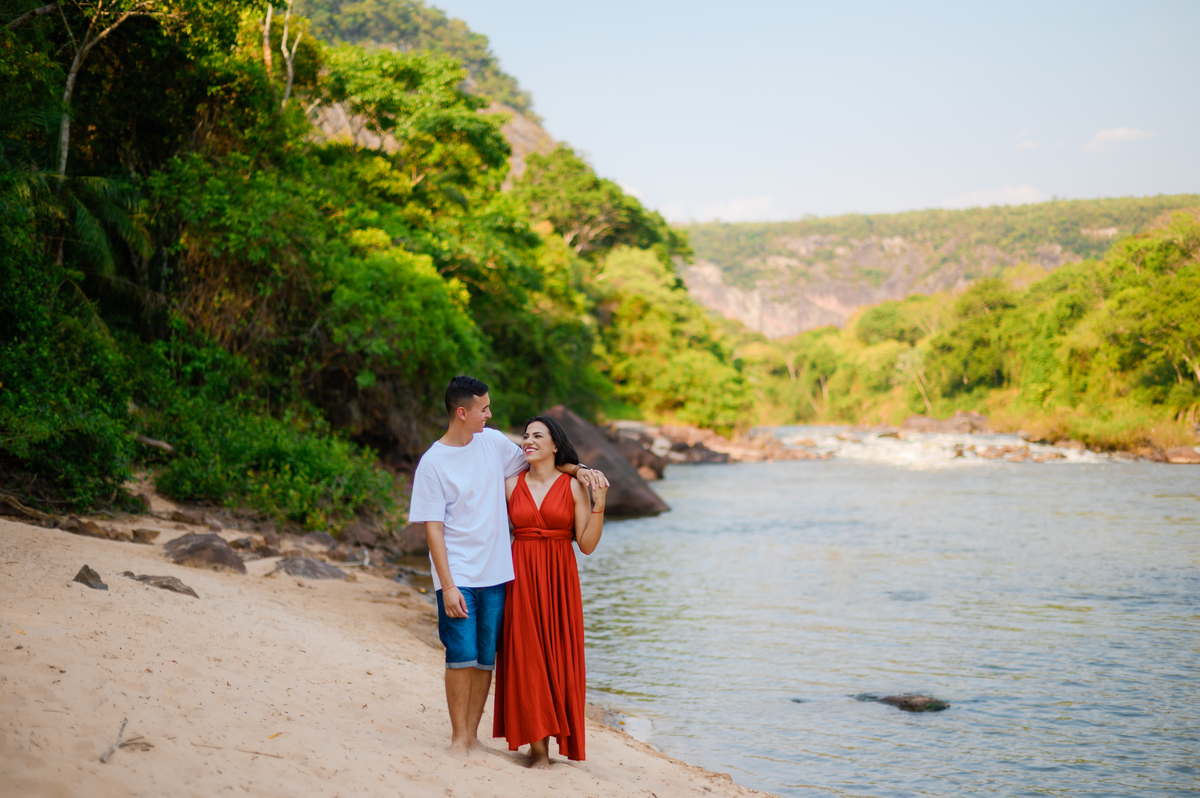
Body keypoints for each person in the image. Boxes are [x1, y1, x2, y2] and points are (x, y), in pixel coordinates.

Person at [407, 376, 607, 754]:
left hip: (498, 574)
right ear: (462, 412)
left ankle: (472, 736)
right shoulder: (433, 463)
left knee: (485, 659)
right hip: (458, 574)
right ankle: (458, 740)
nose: (490, 414)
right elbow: (433, 529)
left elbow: (543, 463)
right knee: (460, 654)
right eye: (484, 408)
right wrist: (447, 585)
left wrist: (580, 471)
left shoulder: (494, 442)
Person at [493, 415, 607, 768]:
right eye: (526, 436)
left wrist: (599, 501)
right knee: (527, 658)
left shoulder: (573, 486)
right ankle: (538, 751)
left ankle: (552, 741)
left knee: (558, 659)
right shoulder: (510, 484)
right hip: (520, 579)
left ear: (555, 445)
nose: (528, 441)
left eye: (537, 436)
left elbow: (586, 545)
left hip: (560, 581)